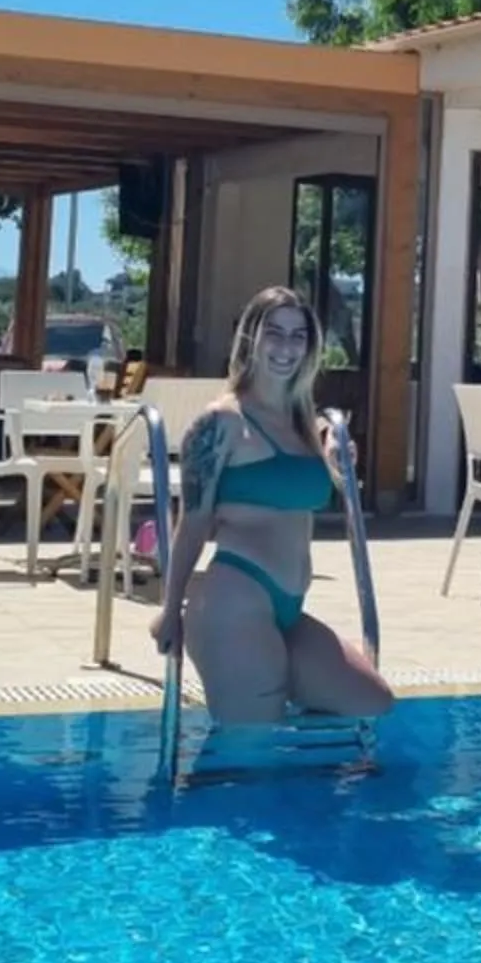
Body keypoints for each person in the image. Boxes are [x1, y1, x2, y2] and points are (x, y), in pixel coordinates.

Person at [152, 286, 395, 727]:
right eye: (274, 333)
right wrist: (169, 610)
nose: (286, 347)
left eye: (298, 336)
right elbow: (193, 522)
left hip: (288, 606)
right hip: (234, 599)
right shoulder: (222, 422)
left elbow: (302, 493)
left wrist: (337, 459)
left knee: (370, 702)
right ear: (251, 338)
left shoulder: (305, 422)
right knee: (251, 751)